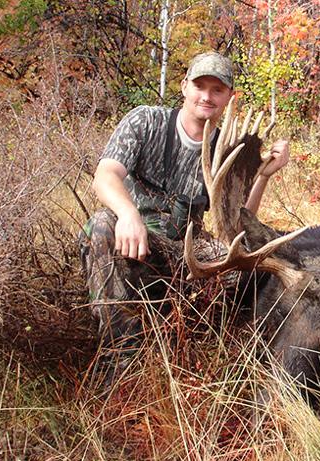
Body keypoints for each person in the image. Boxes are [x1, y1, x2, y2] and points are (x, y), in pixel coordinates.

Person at [79, 51, 289, 373]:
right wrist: (128, 214)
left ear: (229, 97)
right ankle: (120, 355)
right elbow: (105, 175)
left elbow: (237, 221)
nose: (206, 96)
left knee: (252, 266)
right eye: (199, 86)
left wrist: (262, 175)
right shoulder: (146, 121)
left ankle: (227, 352)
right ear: (184, 87)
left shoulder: (228, 149)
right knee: (101, 227)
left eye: (217, 90)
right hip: (136, 239)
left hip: (187, 247)